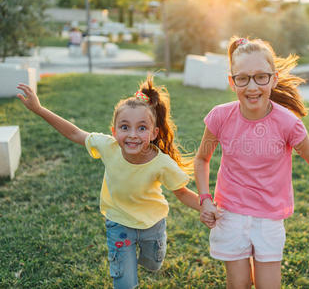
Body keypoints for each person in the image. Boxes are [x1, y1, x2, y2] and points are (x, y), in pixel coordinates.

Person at [194, 37, 309, 289]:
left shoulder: (288, 123)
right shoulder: (220, 117)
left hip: (269, 219)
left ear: (273, 79)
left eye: (261, 77)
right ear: (232, 82)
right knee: (238, 285)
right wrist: (205, 199)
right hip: (230, 215)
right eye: (243, 78)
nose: (252, 86)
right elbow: (201, 158)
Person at [16, 76, 203, 289]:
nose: (133, 135)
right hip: (119, 223)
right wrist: (39, 109)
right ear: (114, 131)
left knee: (153, 264)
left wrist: (209, 206)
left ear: (154, 133)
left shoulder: (162, 163)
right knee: (124, 280)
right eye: (125, 127)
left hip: (153, 225)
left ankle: (148, 257)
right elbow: (74, 132)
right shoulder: (108, 146)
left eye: (142, 128)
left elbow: (183, 193)